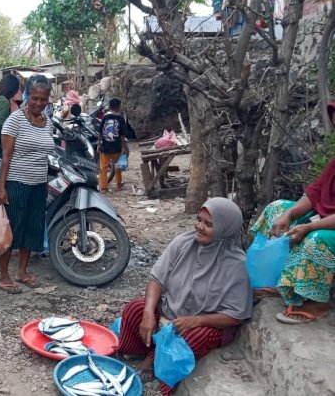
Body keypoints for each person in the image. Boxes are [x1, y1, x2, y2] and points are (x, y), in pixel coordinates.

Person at [115, 197, 253, 395]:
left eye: (208, 224)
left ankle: (155, 360)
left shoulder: (237, 264)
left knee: (192, 337)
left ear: (225, 229)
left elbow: (235, 315)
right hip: (169, 314)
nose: (199, 227)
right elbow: (157, 279)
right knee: (135, 309)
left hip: (201, 324)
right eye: (199, 220)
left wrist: (196, 320)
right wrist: (148, 312)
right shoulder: (183, 243)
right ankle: (144, 350)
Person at [250, 157, 335, 324]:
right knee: (276, 208)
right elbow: (314, 193)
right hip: (325, 217)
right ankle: (279, 278)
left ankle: (317, 303)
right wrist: (288, 214)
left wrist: (310, 227)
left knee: (316, 240)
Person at [0, 75, 55, 293]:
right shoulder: (15, 120)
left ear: (49, 98)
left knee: (33, 229)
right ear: (27, 96)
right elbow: (6, 156)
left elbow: (45, 155)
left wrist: (45, 182)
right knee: (12, 231)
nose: (39, 103)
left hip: (39, 185)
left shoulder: (48, 122)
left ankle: (21, 272)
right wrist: (2, 188)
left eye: (43, 99)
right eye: (35, 98)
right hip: (17, 184)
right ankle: (3, 276)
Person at [98, 98, 128, 192]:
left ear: (110, 107)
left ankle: (103, 187)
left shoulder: (105, 118)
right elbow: (122, 136)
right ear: (119, 107)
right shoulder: (121, 119)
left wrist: (99, 144)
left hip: (105, 147)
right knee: (118, 167)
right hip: (116, 148)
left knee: (103, 167)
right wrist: (124, 148)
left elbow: (99, 133)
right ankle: (118, 185)